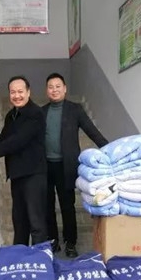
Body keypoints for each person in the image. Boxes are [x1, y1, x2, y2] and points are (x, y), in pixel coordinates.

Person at [0, 75, 48, 246]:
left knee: (36, 221)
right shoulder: (11, 115)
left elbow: (19, 140)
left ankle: (40, 257)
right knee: (19, 221)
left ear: (28, 92)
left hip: (34, 174)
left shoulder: (36, 113)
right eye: (13, 92)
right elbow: (4, 137)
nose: (17, 95)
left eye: (20, 91)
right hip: (17, 175)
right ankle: (19, 255)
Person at [42, 72, 108, 257]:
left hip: (66, 166)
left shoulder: (75, 109)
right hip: (45, 166)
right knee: (47, 206)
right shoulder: (42, 112)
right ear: (47, 91)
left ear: (64, 89)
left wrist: (109, 149)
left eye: (58, 86)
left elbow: (92, 131)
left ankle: (70, 243)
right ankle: (53, 240)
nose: (54, 90)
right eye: (50, 87)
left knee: (67, 206)